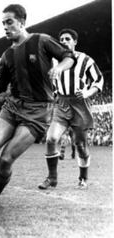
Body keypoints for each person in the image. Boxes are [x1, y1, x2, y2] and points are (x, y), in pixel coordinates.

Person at [0, 4, 75, 209]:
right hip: (12, 107)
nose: (5, 26)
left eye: (9, 22)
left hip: (38, 111)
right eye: (3, 23)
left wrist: (60, 69)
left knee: (6, 159)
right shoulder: (7, 56)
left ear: (22, 22)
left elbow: (68, 56)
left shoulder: (41, 40)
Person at [38, 28, 103, 190]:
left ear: (75, 42)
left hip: (80, 105)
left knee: (80, 145)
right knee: (51, 138)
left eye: (68, 39)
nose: (64, 42)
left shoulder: (85, 60)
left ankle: (83, 178)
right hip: (61, 104)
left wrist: (87, 93)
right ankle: (52, 178)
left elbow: (98, 80)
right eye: (61, 39)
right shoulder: (55, 62)